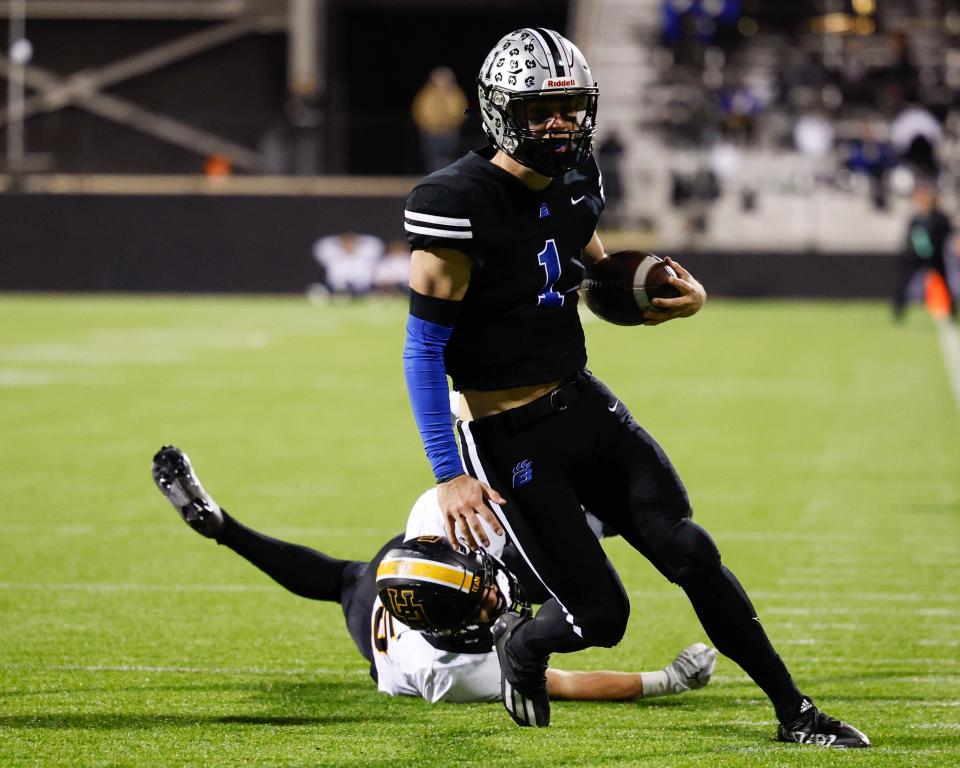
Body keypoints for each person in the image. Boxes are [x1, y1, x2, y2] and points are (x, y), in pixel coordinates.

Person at [401, 27, 870, 747]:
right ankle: (523, 648)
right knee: (601, 619)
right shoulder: (457, 200)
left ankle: (795, 713)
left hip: (583, 400)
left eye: (569, 107)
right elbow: (423, 348)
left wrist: (665, 295)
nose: (558, 123)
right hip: (510, 435)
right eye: (539, 110)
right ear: (500, 112)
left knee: (690, 550)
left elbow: (588, 271)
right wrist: (448, 475)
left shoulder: (577, 174)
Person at [150, 445, 717, 706]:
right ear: (466, 631)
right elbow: (568, 684)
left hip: (389, 581)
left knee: (348, 579)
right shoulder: (458, 676)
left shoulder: (429, 525)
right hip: (391, 649)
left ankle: (224, 527)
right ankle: (224, 527)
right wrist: (665, 680)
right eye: (485, 600)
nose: (495, 595)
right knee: (347, 578)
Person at [893, 179, 956, 322]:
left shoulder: (940, 217)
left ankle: (951, 310)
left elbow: (947, 233)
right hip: (917, 256)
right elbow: (910, 236)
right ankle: (898, 310)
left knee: (944, 282)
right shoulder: (917, 218)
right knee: (905, 280)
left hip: (935, 256)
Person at [411, 67, 468, 173]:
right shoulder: (427, 94)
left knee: (449, 156)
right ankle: (433, 179)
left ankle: (447, 179)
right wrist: (427, 125)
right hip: (430, 132)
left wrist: (451, 123)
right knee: (432, 157)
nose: (442, 81)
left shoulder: (455, 94)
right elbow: (420, 110)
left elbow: (460, 110)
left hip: (449, 131)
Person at [311, 232, 384, 299]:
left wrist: (358, 239)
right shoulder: (334, 257)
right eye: (346, 243)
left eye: (351, 242)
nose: (349, 245)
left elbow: (376, 244)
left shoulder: (364, 256)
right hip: (337, 289)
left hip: (362, 288)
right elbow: (321, 245)